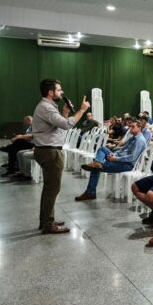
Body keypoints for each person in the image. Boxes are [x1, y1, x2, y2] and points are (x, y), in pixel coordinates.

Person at [32, 79, 90, 234]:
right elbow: (66, 125)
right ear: (50, 92)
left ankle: (46, 220)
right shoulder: (46, 107)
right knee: (52, 188)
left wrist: (65, 112)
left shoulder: (49, 107)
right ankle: (48, 224)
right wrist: (82, 110)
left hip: (47, 150)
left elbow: (58, 127)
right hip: (50, 152)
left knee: (49, 188)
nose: (61, 92)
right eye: (59, 90)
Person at [76, 120, 146, 200]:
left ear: (139, 128)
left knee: (95, 168)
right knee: (102, 149)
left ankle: (90, 192)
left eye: (133, 127)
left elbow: (132, 157)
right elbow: (123, 149)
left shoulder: (139, 140)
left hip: (127, 165)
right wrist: (114, 154)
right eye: (130, 126)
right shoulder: (133, 138)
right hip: (119, 159)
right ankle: (98, 163)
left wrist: (116, 158)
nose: (130, 128)